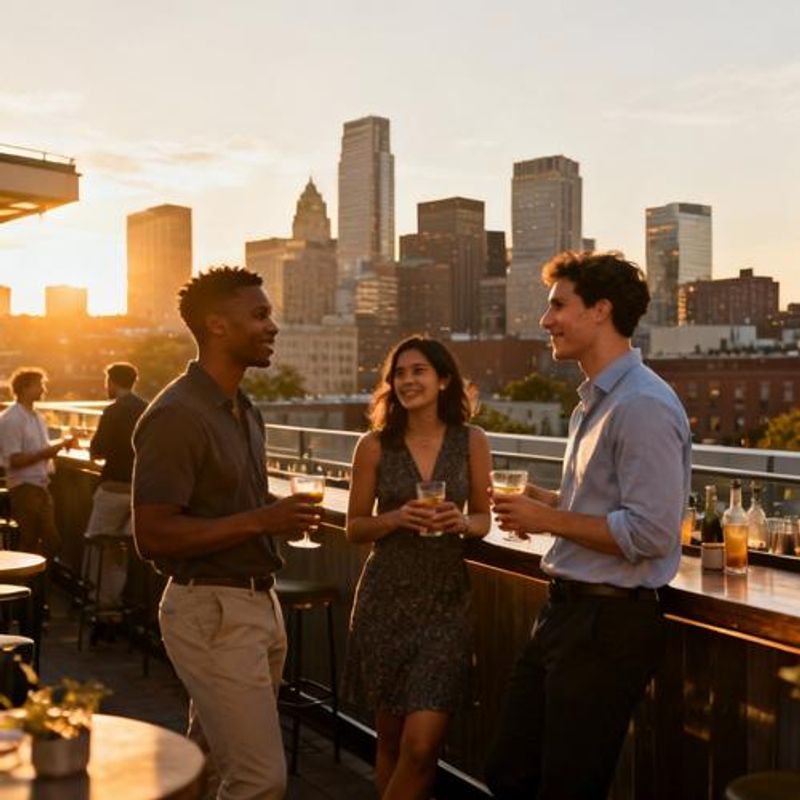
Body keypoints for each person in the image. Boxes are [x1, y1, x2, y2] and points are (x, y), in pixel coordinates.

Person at [484, 251, 692, 800]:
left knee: (566, 788)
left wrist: (549, 518)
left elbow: (651, 533)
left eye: (558, 305)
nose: (545, 320)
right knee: (512, 772)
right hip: (568, 615)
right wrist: (545, 501)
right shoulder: (593, 404)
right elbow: (607, 506)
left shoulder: (643, 405)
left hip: (608, 625)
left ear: (600, 311)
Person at [132, 266, 319, 800]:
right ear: (217, 325)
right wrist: (264, 520)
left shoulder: (244, 410)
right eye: (259, 314)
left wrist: (271, 512)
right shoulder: (177, 415)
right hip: (210, 610)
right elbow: (154, 535)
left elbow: (235, 506)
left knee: (211, 766)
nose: (273, 326)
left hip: (258, 604)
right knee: (261, 780)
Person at [343, 336, 492, 800]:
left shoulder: (473, 441)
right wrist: (396, 518)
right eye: (400, 374)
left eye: (419, 371)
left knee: (423, 745)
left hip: (446, 604)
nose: (407, 381)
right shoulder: (372, 446)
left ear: (444, 378)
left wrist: (463, 521)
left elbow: (485, 518)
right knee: (389, 738)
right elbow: (354, 527)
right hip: (385, 602)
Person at [82, 362, 147, 638]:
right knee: (120, 553)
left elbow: (97, 451)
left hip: (112, 489)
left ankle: (103, 610)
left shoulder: (112, 411)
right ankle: (117, 607)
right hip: (138, 491)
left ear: (112, 381)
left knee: (98, 549)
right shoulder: (147, 408)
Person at [0, 368, 74, 556]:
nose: (44, 389)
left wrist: (61, 444)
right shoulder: (11, 419)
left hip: (40, 486)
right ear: (25, 388)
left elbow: (39, 449)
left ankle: (37, 582)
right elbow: (14, 460)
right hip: (24, 487)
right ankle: (27, 582)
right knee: (32, 541)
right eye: (40, 385)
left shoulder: (36, 417)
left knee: (46, 542)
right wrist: (51, 450)